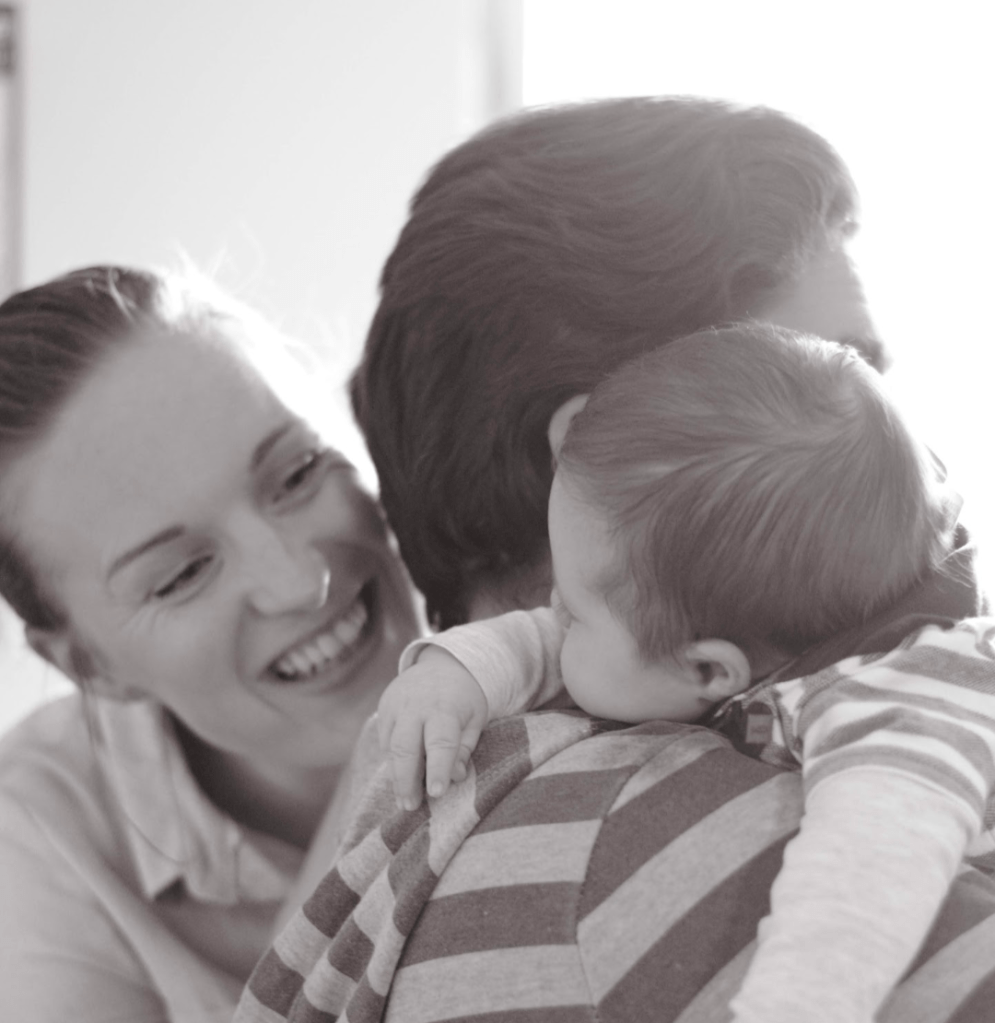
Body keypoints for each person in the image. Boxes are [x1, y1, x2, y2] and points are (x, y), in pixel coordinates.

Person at [240, 98, 995, 1023]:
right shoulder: (664, 828)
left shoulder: (465, 804)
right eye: (840, 373)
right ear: (593, 439)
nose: (902, 458)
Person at [377, 323, 995, 1023]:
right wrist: (458, 671)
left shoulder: (904, 706)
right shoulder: (760, 627)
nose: (547, 613)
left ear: (710, 669)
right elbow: (584, 642)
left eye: (572, 611)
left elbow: (859, 898)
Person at [0, 265, 421, 1022]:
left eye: (295, 473)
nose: (298, 582)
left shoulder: (566, 603)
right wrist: (377, 786)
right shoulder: (37, 834)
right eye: (183, 573)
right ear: (89, 663)